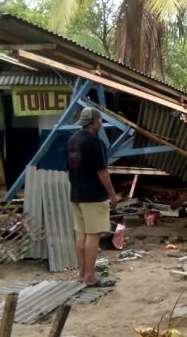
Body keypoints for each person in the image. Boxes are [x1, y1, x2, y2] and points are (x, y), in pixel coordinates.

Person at [67, 107, 119, 287]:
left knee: (81, 234)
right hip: (94, 196)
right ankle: (90, 276)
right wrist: (112, 194)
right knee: (93, 235)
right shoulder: (95, 143)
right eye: (100, 121)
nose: (101, 124)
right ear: (96, 121)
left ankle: (82, 273)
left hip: (76, 193)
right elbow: (102, 171)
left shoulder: (72, 141)